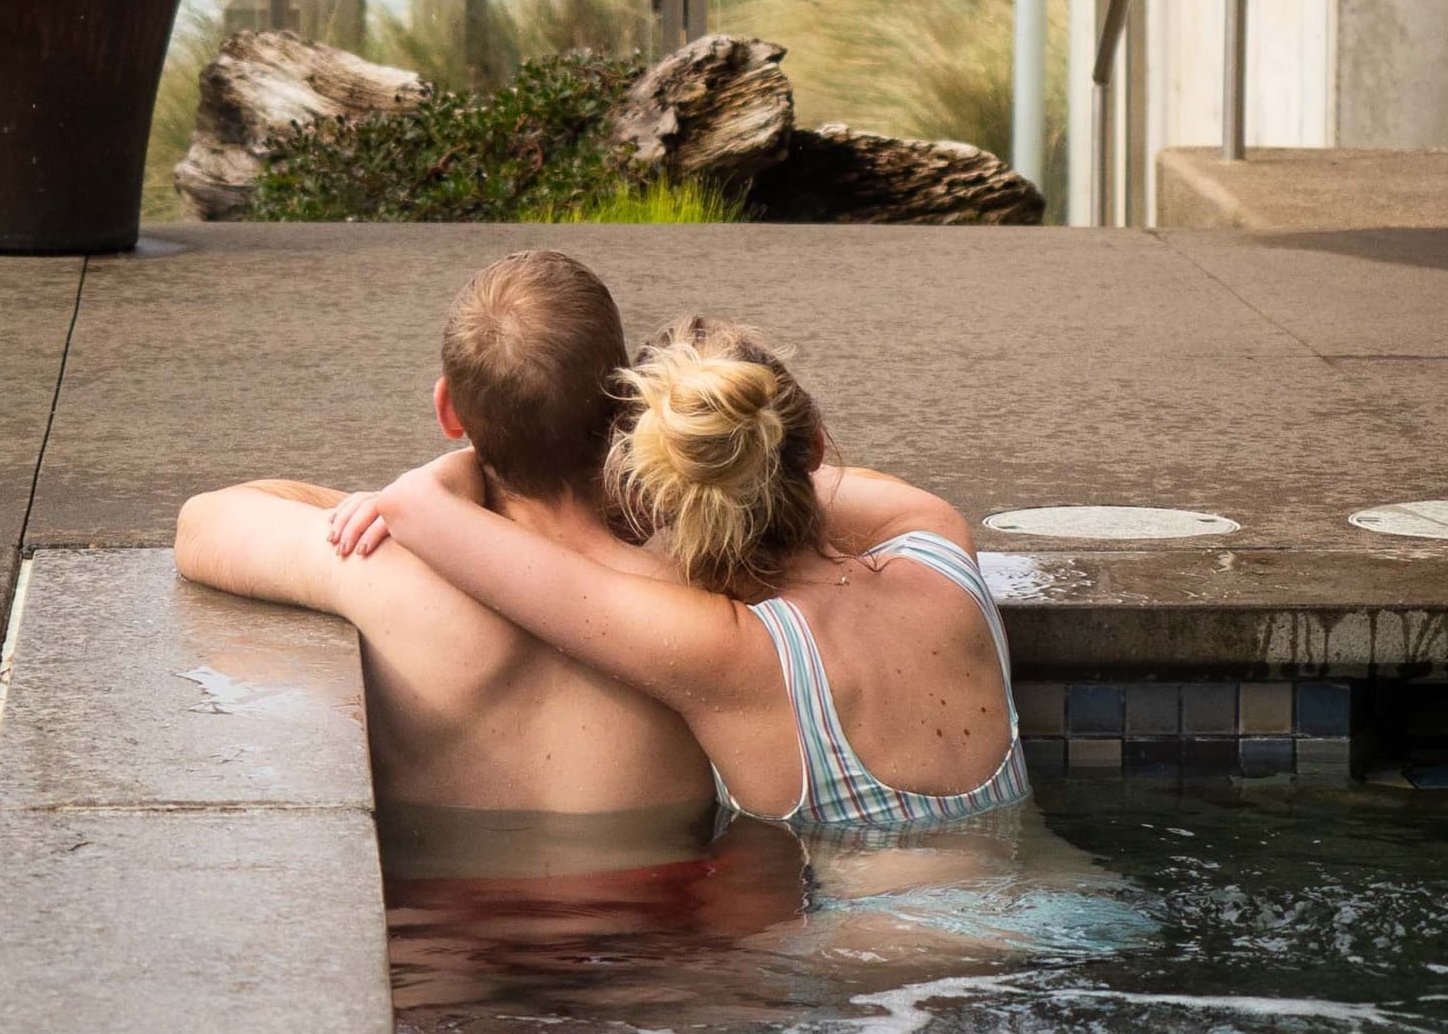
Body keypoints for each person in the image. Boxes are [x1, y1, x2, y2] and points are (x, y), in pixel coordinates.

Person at [328, 315, 1029, 833]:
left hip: (872, 992)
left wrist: (466, 462)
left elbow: (419, 510)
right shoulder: (937, 537)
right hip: (1047, 922)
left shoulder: (729, 653)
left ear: (658, 494)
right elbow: (800, 478)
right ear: (812, 446)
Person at [174, 249, 717, 816]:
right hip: (671, 896)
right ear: (627, 403)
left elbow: (203, 522)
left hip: (445, 900)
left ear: (448, 410)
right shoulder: (704, 588)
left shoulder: (386, 573)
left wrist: (416, 501)